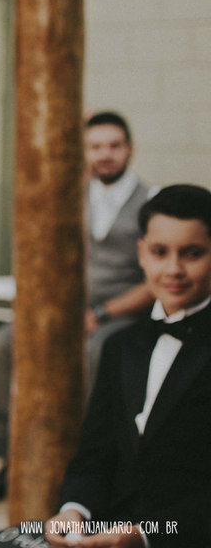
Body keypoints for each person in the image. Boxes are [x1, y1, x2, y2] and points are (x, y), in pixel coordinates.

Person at [0, 111, 156, 502]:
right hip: (67, 311)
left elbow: (152, 283)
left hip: (120, 313)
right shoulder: (74, 195)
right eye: (95, 146)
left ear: (130, 149)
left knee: (94, 352)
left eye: (113, 145)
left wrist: (102, 314)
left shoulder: (149, 201)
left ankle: (87, 464)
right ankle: (8, 458)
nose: (104, 154)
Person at [41, 184, 211, 548]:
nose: (173, 269)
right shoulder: (120, 347)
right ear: (141, 254)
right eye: (159, 252)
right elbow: (94, 455)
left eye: (192, 253)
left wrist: (146, 536)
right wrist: (75, 510)